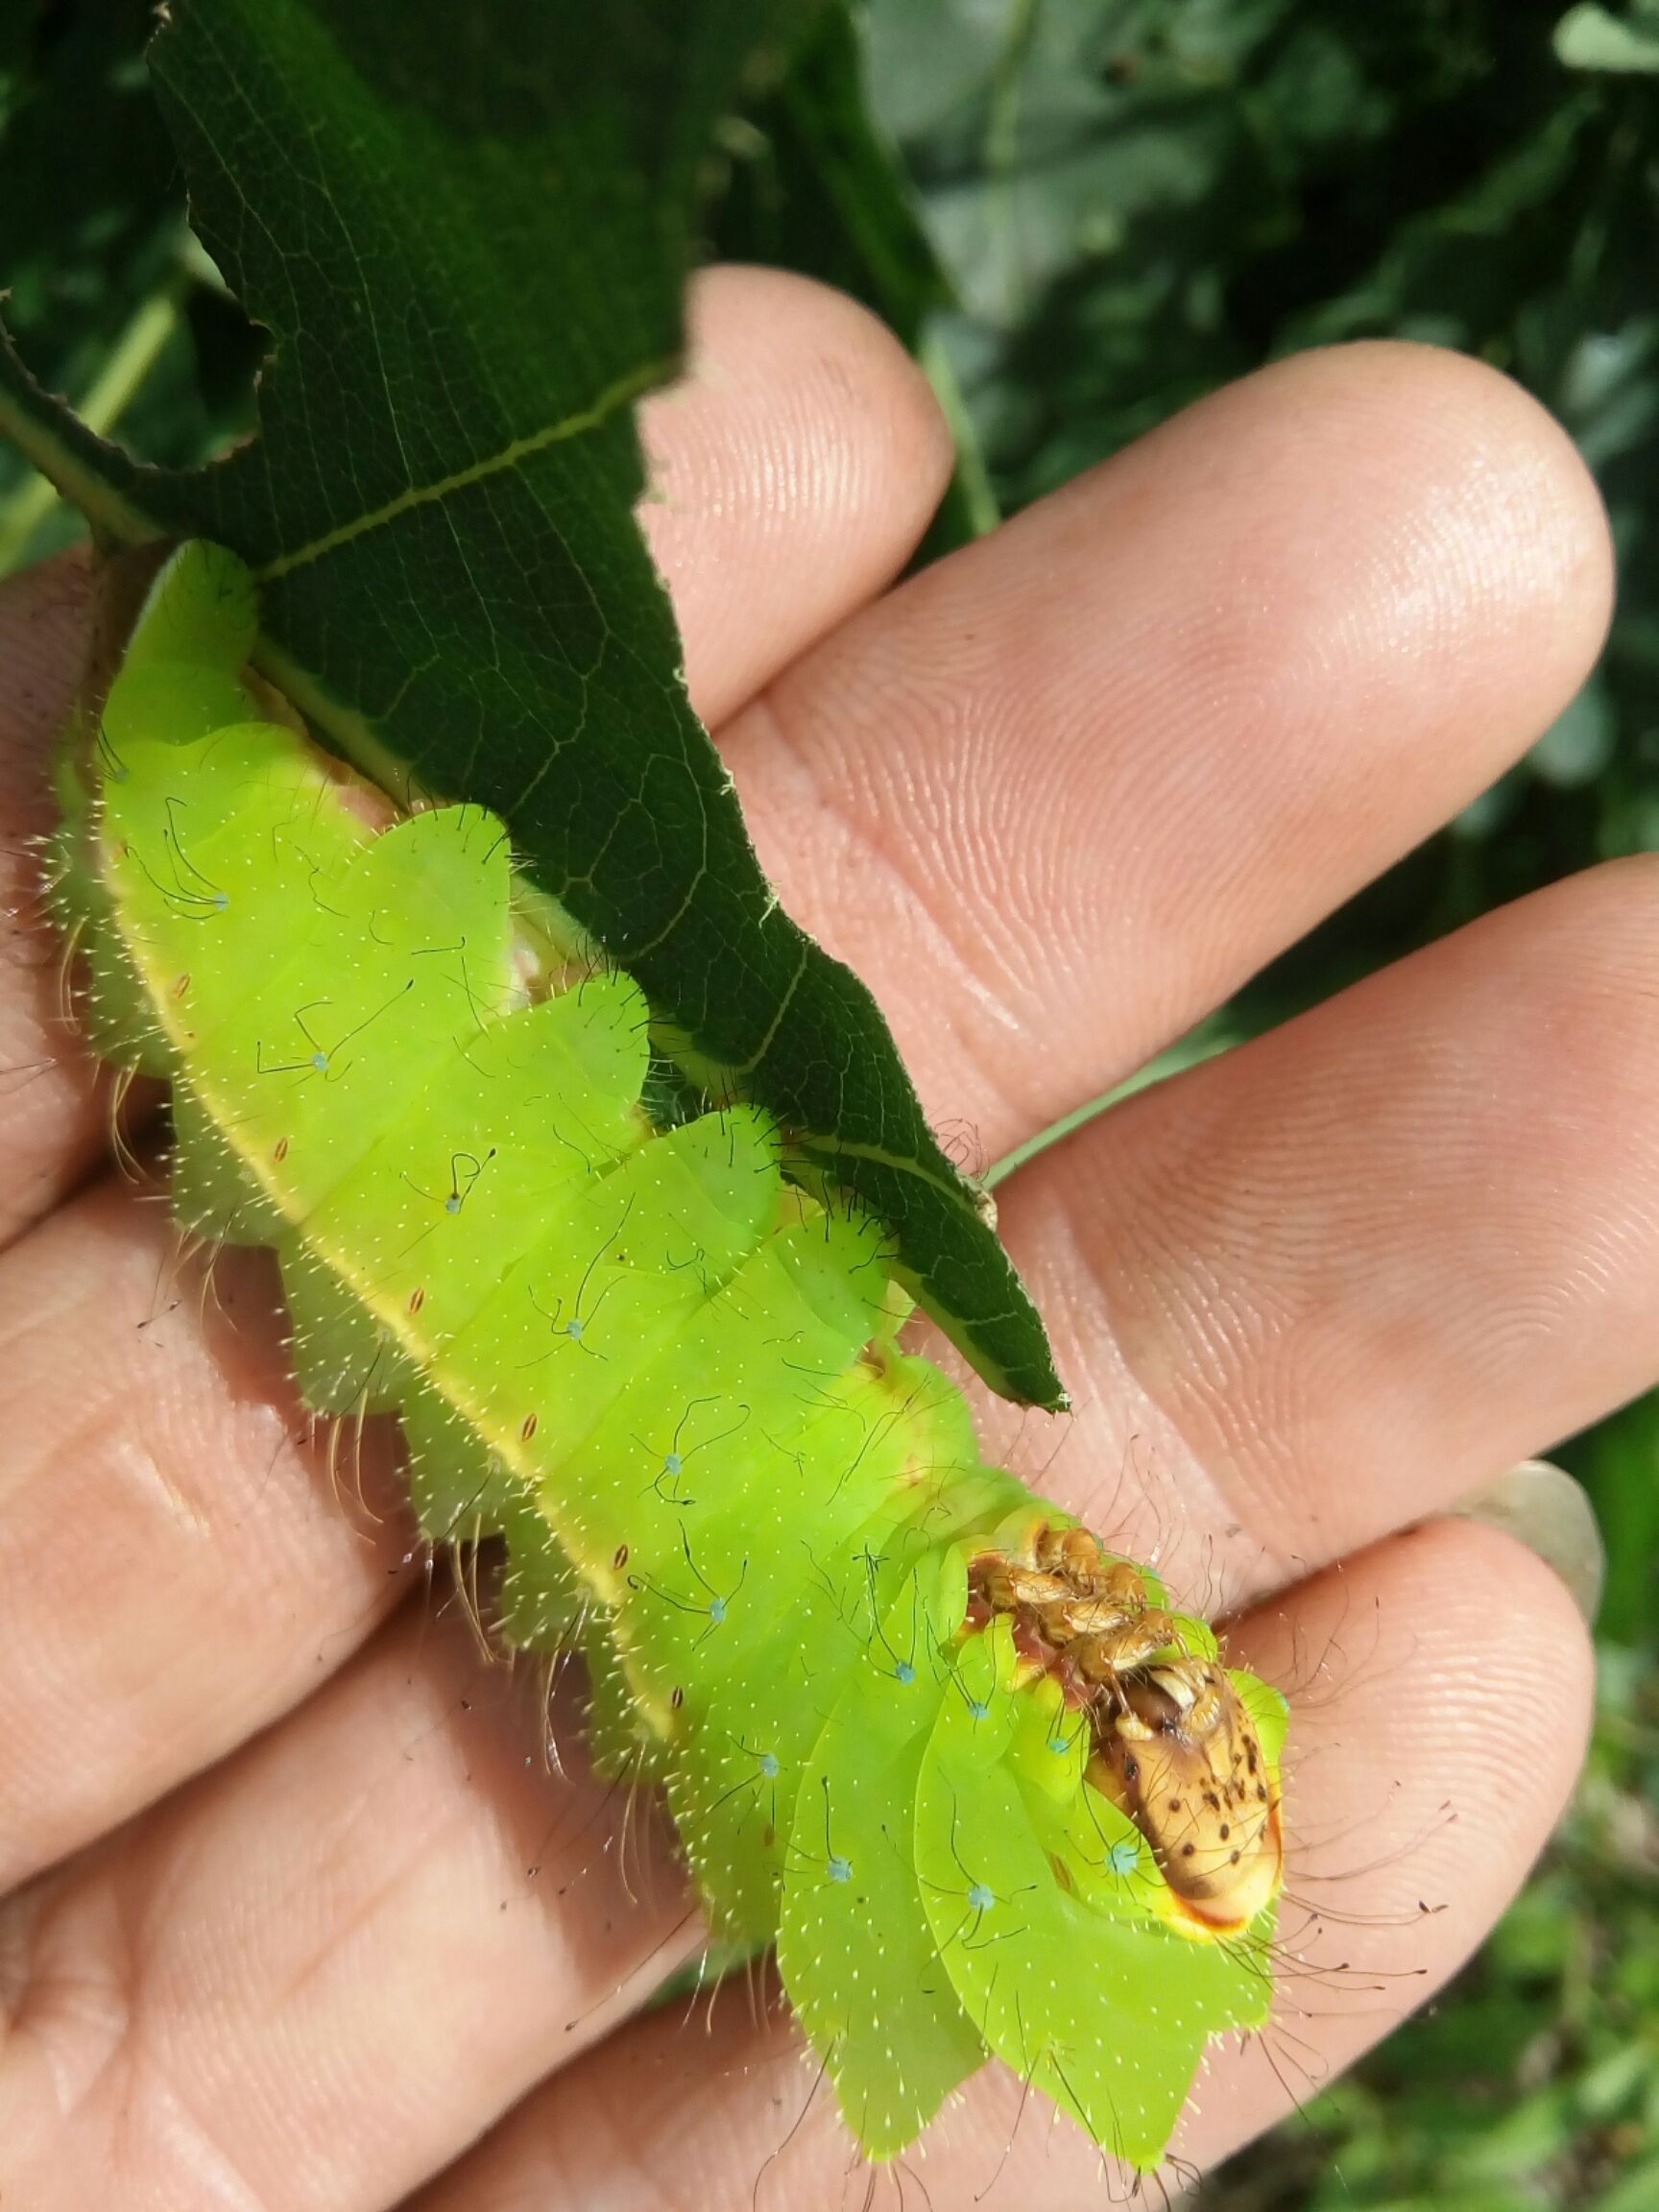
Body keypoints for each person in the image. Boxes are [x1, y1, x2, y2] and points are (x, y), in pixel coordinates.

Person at [0, 265, 1629, 2208]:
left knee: (501, 1206)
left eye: (1100, 1738)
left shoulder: (827, 1598)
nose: (1137, 1661)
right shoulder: (906, 1570)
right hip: (344, 1025)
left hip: (258, 931)